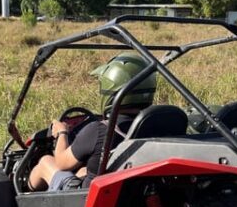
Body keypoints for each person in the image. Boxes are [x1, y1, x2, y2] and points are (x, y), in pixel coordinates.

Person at [28, 52, 156, 191]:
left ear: (110, 90)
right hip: (133, 190)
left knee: (46, 161)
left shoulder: (99, 130)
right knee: (82, 170)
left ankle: (20, 197)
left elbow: (60, 163)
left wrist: (62, 132)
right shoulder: (157, 124)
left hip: (89, 199)